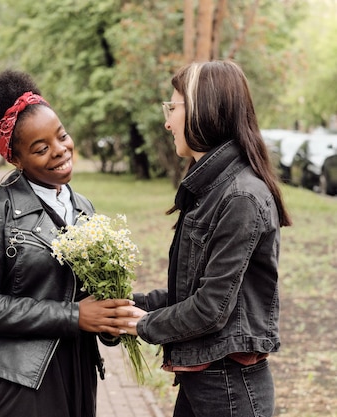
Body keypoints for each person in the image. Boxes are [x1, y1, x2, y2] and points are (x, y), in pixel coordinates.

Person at [0, 69, 132, 417]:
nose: (60, 150)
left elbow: (86, 294)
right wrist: (75, 315)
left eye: (62, 136)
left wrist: (110, 322)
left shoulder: (83, 206)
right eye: (40, 148)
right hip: (16, 379)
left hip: (76, 370)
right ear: (16, 159)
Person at [122, 60, 292, 417]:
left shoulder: (240, 196)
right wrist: (130, 303)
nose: (167, 121)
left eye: (173, 107)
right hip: (207, 381)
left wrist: (140, 323)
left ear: (203, 110)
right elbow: (193, 291)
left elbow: (211, 309)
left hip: (229, 387)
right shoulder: (212, 189)